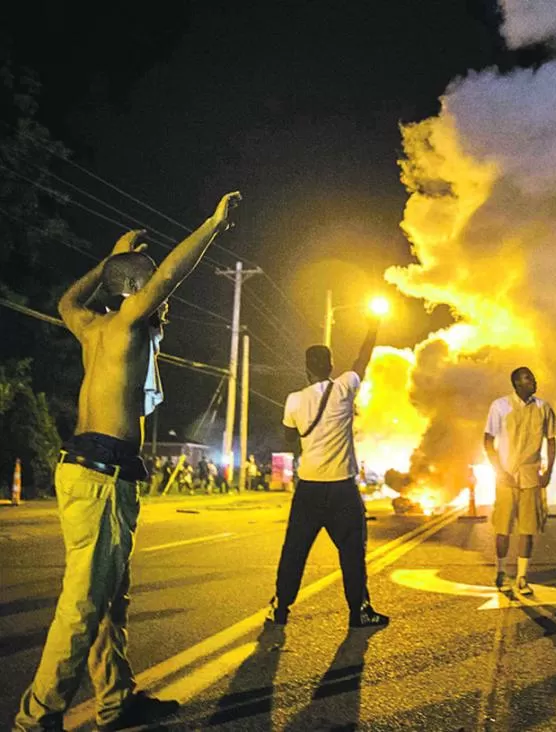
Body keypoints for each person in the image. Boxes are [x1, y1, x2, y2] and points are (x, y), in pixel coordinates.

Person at [14, 192, 241, 731]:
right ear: (135, 293)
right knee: (82, 607)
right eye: (154, 298)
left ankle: (115, 702)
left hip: (92, 471)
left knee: (109, 601)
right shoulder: (128, 322)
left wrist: (108, 260)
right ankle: (35, 720)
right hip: (101, 476)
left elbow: (68, 301)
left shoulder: (92, 327)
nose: (165, 309)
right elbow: (167, 277)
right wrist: (211, 224)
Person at [266, 317, 388, 629]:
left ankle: (280, 608)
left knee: (294, 550)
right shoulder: (345, 386)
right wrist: (372, 329)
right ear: (331, 366)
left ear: (306, 369)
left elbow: (289, 438)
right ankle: (359, 611)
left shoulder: (294, 400)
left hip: (308, 489)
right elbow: (363, 360)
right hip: (341, 489)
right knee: (351, 553)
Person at [484, 367, 556, 596]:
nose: (534, 381)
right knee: (503, 529)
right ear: (516, 384)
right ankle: (500, 571)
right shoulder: (500, 406)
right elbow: (488, 441)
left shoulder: (543, 407)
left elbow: (552, 441)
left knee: (528, 529)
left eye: (533, 377)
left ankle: (521, 577)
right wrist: (498, 469)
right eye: (528, 379)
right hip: (506, 477)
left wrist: (549, 471)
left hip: (530, 477)